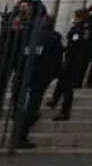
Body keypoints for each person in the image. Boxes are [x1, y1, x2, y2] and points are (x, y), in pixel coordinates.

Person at [13, 15, 64, 149]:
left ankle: (19, 130)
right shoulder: (54, 37)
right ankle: (20, 136)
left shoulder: (32, 36)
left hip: (27, 75)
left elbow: (22, 55)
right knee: (32, 105)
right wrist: (56, 74)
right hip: (42, 76)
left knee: (25, 104)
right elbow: (57, 58)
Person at [0, 0, 30, 121]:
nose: (23, 8)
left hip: (21, 56)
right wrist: (13, 29)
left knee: (18, 85)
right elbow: (3, 37)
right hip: (7, 55)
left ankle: (16, 111)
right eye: (21, 6)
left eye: (26, 6)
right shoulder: (10, 18)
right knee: (1, 84)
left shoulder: (31, 21)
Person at [53, 9, 92, 120]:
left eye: (75, 16)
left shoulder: (79, 29)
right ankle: (55, 100)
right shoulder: (84, 28)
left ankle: (64, 111)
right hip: (75, 60)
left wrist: (64, 48)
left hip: (73, 60)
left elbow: (75, 44)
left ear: (79, 17)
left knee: (68, 87)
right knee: (63, 82)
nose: (73, 18)